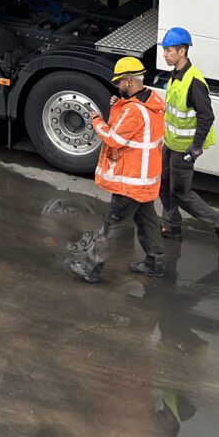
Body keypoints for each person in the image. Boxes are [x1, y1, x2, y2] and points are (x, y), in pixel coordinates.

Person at [66, 57, 168, 282]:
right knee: (148, 223)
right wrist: (119, 104)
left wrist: (95, 121)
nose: (117, 86)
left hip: (129, 181)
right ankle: (155, 264)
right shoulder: (152, 101)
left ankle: (90, 267)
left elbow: (113, 138)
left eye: (119, 83)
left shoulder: (134, 111)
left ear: (129, 82)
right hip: (145, 180)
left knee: (111, 226)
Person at [155, 27, 219, 242]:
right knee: (163, 183)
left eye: (169, 50)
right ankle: (171, 226)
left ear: (182, 51)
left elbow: (207, 116)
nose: (165, 54)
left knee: (180, 192)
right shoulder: (176, 75)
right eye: (165, 50)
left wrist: (196, 146)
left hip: (184, 148)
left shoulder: (194, 82)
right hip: (171, 143)